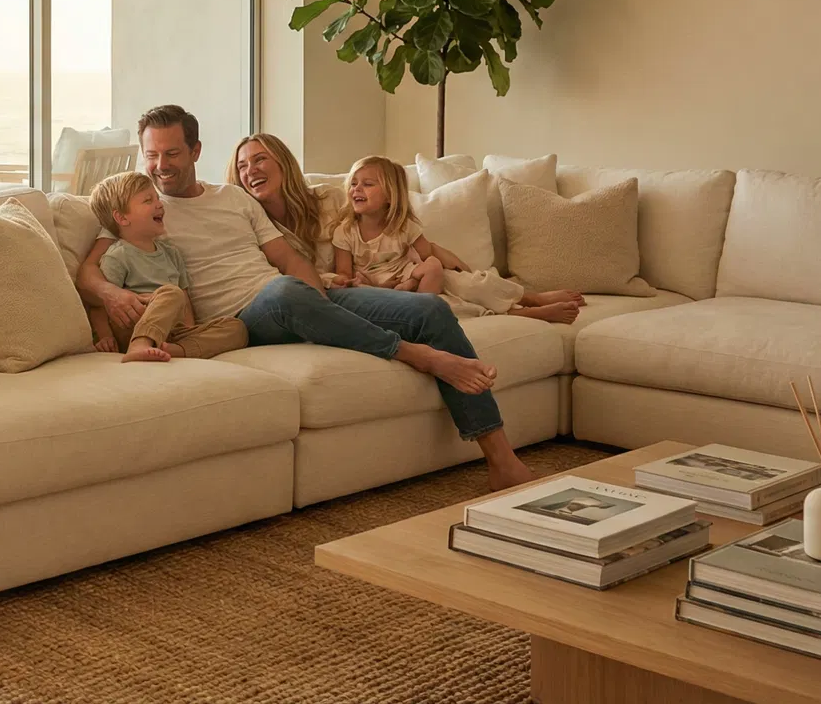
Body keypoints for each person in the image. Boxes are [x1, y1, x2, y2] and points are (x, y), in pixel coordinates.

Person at [77, 106, 534, 490]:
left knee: (429, 308)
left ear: (195, 151)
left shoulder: (235, 199)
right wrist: (111, 294)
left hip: (294, 296)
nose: (161, 165)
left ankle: (501, 461)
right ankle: (418, 355)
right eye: (152, 155)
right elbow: (89, 272)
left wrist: (322, 304)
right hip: (245, 318)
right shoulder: (142, 208)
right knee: (283, 291)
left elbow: (288, 260)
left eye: (172, 153)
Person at [330, 155, 584, 323]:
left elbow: (430, 254)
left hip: (418, 280)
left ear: (390, 195)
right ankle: (531, 314)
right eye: (353, 184)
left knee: (470, 285)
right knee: (455, 307)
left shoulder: (402, 227)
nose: (357, 189)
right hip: (382, 291)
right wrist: (348, 281)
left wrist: (458, 269)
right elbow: (343, 273)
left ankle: (532, 299)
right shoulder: (346, 232)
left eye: (367, 184)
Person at [85, 170, 249, 363]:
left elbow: (185, 303)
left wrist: (190, 330)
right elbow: (100, 304)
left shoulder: (172, 254)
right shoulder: (118, 255)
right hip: (134, 325)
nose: (159, 204)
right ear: (122, 218)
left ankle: (177, 349)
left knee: (236, 328)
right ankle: (140, 344)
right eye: (148, 200)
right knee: (171, 293)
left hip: (172, 331)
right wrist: (105, 337)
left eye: (157, 198)